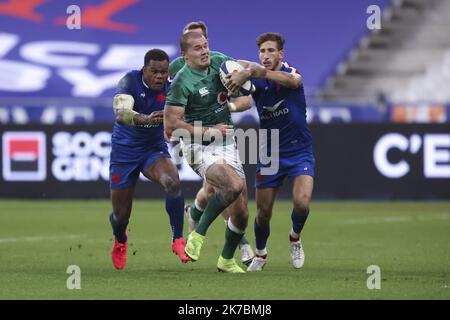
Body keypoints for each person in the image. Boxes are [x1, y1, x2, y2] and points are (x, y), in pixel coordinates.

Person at [164, 32, 264, 273]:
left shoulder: (221, 61)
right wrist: (209, 131)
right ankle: (198, 235)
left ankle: (227, 260)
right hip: (198, 145)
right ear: (185, 55)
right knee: (233, 185)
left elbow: (251, 84)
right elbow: (170, 127)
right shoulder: (181, 81)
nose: (205, 51)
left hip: (227, 141)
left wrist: (245, 74)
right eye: (198, 48)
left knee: (241, 214)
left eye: (206, 46)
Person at [225, 32, 314, 271]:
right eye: (262, 51)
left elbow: (294, 82)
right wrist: (237, 70)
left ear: (281, 54)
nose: (266, 56)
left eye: (271, 51)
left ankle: (294, 237)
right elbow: (236, 66)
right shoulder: (255, 79)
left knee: (302, 203)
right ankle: (261, 254)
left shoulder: (289, 72)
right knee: (263, 212)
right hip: (270, 152)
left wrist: (254, 70)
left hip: (298, 149)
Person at [109, 49, 191, 270]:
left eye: (163, 72)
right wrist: (144, 119)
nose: (159, 77)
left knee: (172, 181)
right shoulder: (129, 81)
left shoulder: (173, 88)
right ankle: (120, 239)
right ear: (144, 69)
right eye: (154, 72)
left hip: (153, 150)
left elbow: (186, 113)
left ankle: (177, 239)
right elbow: (121, 112)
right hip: (124, 153)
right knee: (120, 215)